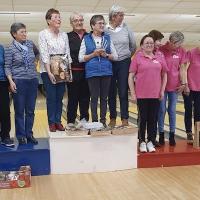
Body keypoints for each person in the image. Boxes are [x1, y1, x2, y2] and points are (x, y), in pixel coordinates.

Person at [129, 35, 168, 153]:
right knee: (143, 119)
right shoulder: (137, 57)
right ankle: (141, 141)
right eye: (147, 43)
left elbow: (164, 75)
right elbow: (130, 76)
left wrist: (162, 90)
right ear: (142, 45)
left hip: (155, 94)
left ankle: (151, 141)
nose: (149, 45)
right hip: (141, 94)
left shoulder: (159, 57)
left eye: (151, 43)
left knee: (153, 119)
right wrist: (133, 93)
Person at [79, 15, 118, 127]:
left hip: (106, 71)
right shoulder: (86, 39)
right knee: (94, 98)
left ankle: (103, 122)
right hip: (92, 72)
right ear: (92, 26)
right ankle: (96, 122)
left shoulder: (107, 38)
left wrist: (106, 55)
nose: (102, 25)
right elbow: (80, 58)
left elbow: (115, 56)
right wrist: (93, 54)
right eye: (99, 23)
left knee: (104, 98)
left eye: (103, 23)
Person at [4, 22, 39, 145]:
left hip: (33, 80)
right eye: (22, 32)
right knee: (19, 111)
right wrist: (11, 81)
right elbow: (7, 67)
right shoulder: (9, 48)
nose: (25, 34)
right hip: (19, 81)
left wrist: (36, 62)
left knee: (30, 110)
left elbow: (37, 53)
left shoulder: (30, 44)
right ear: (14, 34)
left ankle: (29, 134)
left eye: (25, 31)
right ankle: (21, 136)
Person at [39, 8, 72, 132]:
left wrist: (68, 71)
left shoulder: (64, 35)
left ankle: (58, 121)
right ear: (48, 20)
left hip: (62, 68)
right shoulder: (43, 34)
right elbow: (44, 53)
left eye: (59, 17)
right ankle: (52, 122)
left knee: (59, 97)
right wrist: (49, 72)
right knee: (52, 97)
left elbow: (67, 52)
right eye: (55, 17)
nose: (59, 19)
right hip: (48, 69)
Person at [105, 5, 136, 127]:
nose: (122, 17)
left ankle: (125, 118)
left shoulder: (126, 27)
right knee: (111, 91)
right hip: (109, 62)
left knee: (123, 91)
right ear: (113, 16)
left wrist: (126, 56)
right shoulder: (106, 29)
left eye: (123, 15)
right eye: (120, 15)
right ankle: (112, 118)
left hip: (124, 62)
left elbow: (133, 45)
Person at [158, 31, 188, 146]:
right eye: (176, 44)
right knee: (161, 110)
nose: (178, 46)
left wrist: (184, 83)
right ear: (171, 41)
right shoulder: (161, 49)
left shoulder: (181, 51)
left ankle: (172, 134)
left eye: (179, 44)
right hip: (162, 86)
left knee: (172, 110)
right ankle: (161, 134)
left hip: (175, 86)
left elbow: (182, 69)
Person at [66, 12, 90, 128]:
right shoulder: (67, 36)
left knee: (85, 97)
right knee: (73, 98)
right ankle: (70, 121)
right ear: (71, 23)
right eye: (76, 20)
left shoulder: (89, 36)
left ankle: (84, 119)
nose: (79, 22)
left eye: (80, 20)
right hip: (73, 71)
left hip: (88, 72)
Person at [148, 30, 167, 146]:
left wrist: (162, 90)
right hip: (145, 91)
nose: (160, 43)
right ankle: (142, 139)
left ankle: (152, 138)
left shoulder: (160, 54)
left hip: (156, 89)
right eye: (159, 40)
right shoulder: (142, 53)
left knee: (155, 115)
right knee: (145, 117)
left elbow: (165, 72)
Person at [184, 46, 200, 143]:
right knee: (189, 109)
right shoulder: (191, 53)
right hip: (189, 87)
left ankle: (198, 133)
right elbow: (184, 69)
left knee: (198, 112)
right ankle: (189, 132)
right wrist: (185, 85)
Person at [0, 44, 14, 147]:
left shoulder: (2, 48)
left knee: (4, 110)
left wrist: (10, 82)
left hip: (2, 82)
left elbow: (7, 65)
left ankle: (5, 136)